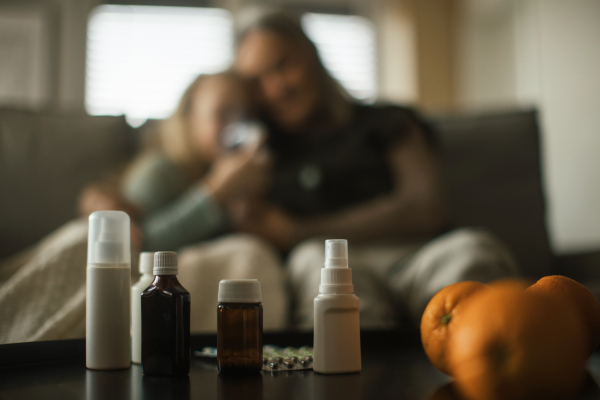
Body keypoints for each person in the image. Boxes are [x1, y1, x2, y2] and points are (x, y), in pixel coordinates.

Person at [232, 12, 518, 329]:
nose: (276, 88)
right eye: (256, 82)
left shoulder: (388, 121)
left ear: (310, 54)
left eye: (283, 64)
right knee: (315, 265)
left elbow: (426, 208)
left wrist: (301, 232)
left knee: (472, 251)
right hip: (331, 272)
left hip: (418, 257)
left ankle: (485, 360)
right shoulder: (259, 158)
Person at [0, 72, 288, 343]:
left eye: (245, 114)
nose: (236, 125)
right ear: (190, 120)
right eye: (222, 114)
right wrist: (215, 192)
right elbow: (137, 244)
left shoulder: (245, 185)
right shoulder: (161, 171)